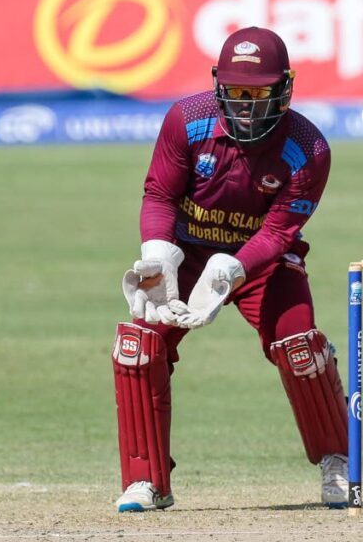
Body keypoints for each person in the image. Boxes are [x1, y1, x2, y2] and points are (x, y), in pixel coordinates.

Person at [110, 27, 349, 512]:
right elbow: (158, 194)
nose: (246, 105)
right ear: (219, 85)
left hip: (262, 262)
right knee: (139, 348)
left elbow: (280, 232)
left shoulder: (308, 148)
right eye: (237, 92)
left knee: (300, 347)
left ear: (284, 87)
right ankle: (145, 481)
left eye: (259, 93)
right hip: (188, 253)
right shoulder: (187, 119)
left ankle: (339, 462)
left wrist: (232, 271)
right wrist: (158, 256)